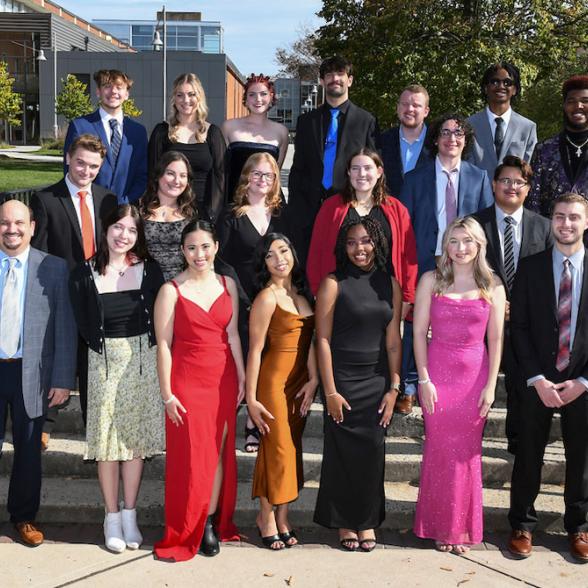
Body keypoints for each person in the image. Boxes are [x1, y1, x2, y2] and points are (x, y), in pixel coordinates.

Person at [68, 204, 164, 553]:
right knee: (108, 445)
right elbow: (79, 324)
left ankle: (129, 515)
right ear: (106, 229)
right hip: (102, 364)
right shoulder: (82, 275)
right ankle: (110, 516)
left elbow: (163, 320)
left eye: (132, 230)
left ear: (139, 236)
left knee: (135, 442)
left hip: (142, 361)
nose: (124, 235)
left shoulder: (151, 272)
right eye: (118, 228)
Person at [154, 220, 245, 561]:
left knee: (219, 452)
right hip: (188, 380)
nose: (199, 254)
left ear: (216, 247)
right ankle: (186, 524)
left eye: (205, 246)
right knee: (193, 455)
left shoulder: (228, 284)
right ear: (182, 251)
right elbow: (164, 344)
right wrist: (167, 393)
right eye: (191, 248)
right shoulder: (170, 290)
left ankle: (208, 521)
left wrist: (243, 377)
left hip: (223, 377)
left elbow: (233, 334)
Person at [413, 216, 505, 554]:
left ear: (479, 244)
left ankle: (462, 527)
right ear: (445, 245)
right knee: (439, 448)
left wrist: (491, 385)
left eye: (467, 241)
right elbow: (419, 334)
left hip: (475, 378)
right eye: (454, 241)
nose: (460, 248)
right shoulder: (431, 280)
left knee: (467, 453)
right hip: (437, 375)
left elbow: (495, 339)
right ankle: (439, 526)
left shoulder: (493, 285)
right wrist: (423, 379)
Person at [508, 193, 588, 563]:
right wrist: (536, 378)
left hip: (583, 382)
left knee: (582, 459)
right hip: (537, 380)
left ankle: (580, 527)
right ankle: (522, 524)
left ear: (586, 222)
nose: (566, 224)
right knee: (528, 454)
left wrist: (584, 381)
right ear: (551, 221)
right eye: (559, 217)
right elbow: (519, 327)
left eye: (574, 217)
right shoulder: (530, 267)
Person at [314, 217, 402, 552]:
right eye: (351, 242)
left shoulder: (389, 284)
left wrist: (394, 388)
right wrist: (331, 391)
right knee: (341, 454)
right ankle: (344, 522)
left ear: (378, 243)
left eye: (366, 241)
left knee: (371, 454)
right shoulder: (333, 283)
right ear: (342, 246)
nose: (359, 249)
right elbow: (322, 340)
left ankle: (366, 522)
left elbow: (393, 341)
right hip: (343, 381)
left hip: (377, 380)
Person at [398, 114, 494, 415]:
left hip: (464, 261)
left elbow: (484, 227)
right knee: (416, 322)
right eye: (445, 132)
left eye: (458, 133)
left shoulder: (479, 178)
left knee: (457, 324)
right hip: (425, 260)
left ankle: (461, 382)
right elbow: (404, 229)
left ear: (465, 141)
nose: (452, 138)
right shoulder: (415, 178)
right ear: (436, 139)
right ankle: (410, 385)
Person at [0, 199, 77, 547]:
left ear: (32, 227)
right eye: (4, 223)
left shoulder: (54, 268)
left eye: (18, 223)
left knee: (29, 451)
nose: (11, 229)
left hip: (32, 374)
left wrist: (62, 379)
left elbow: (65, 326)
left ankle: (23, 517)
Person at [31, 134, 118, 426]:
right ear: (68, 158)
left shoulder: (108, 200)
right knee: (56, 354)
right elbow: (40, 250)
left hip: (98, 292)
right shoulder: (46, 199)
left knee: (92, 360)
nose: (86, 171)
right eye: (80, 163)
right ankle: (44, 421)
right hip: (61, 290)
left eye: (94, 166)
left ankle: (93, 422)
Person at [471, 156, 552, 454]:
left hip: (527, 324)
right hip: (481, 321)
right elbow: (466, 270)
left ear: (528, 189)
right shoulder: (475, 224)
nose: (511, 187)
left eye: (519, 182)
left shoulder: (543, 228)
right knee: (477, 383)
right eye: (505, 180)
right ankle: (471, 440)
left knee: (522, 385)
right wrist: (491, 302)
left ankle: (517, 442)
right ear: (493, 185)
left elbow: (548, 278)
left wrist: (522, 307)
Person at [246, 233, 317, 550]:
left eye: (284, 251)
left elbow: (311, 342)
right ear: (264, 263)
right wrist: (250, 399)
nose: (279, 259)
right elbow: (255, 350)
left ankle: (283, 516)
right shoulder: (266, 297)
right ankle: (266, 515)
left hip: (300, 383)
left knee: (292, 450)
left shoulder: (303, 295)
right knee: (280, 450)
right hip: (272, 383)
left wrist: (314, 379)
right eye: (270, 255)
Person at [218, 152, 285, 454]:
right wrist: (243, 297)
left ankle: (254, 423)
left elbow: (289, 257)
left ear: (274, 182)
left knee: (269, 361)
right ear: (246, 178)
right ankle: (233, 418)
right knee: (242, 357)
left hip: (275, 299)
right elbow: (220, 260)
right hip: (240, 299)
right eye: (256, 174)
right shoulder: (231, 217)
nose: (261, 180)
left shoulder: (284, 215)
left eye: (268, 175)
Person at [288, 56, 379, 266]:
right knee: (310, 265)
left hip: (349, 206)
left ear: (350, 80)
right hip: (309, 209)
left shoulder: (366, 121)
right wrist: (295, 208)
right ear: (322, 81)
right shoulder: (306, 122)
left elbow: (372, 170)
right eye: (329, 75)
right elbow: (298, 168)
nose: (334, 79)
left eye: (340, 74)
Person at [307, 148, 417, 304]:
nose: (361, 174)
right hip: (340, 296)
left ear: (379, 172)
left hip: (384, 297)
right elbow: (316, 250)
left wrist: (406, 298)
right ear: (348, 173)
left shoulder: (397, 210)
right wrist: (318, 291)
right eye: (355, 168)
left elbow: (409, 254)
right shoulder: (331, 207)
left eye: (367, 168)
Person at [148, 73, 225, 222]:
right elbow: (153, 173)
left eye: (191, 94)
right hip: (169, 213)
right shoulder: (161, 132)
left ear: (199, 97)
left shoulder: (213, 133)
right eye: (180, 95)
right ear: (174, 99)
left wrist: (212, 214)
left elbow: (220, 177)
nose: (186, 100)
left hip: (203, 213)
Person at [63, 69, 148, 204]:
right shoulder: (80, 126)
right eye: (107, 86)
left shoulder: (138, 132)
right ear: (98, 92)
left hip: (125, 212)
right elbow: (70, 170)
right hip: (88, 207)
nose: (113, 91)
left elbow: (143, 174)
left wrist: (124, 203)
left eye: (119, 88)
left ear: (126, 94)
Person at [526, 75, 588, 219]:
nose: (578, 106)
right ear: (564, 106)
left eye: (585, 101)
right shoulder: (544, 150)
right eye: (572, 101)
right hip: (553, 236)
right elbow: (533, 201)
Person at [221, 74, 289, 204]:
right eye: (252, 94)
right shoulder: (229, 127)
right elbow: (221, 171)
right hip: (234, 200)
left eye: (263, 94)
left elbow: (275, 174)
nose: (258, 99)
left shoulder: (281, 132)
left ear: (271, 97)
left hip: (267, 203)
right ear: (245, 99)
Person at [468, 63, 537, 179]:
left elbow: (529, 170)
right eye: (495, 82)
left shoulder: (528, 128)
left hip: (514, 194)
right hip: (477, 195)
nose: (501, 86)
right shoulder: (469, 125)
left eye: (507, 83)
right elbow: (466, 168)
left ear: (514, 89)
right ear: (486, 88)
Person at [141, 151, 197, 282]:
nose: (177, 181)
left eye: (183, 176)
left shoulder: (193, 214)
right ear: (158, 175)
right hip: (143, 285)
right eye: (170, 174)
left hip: (181, 285)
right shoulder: (139, 209)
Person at [380, 84, 432, 197]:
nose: (410, 109)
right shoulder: (381, 141)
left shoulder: (437, 142)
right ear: (398, 107)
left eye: (416, 105)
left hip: (426, 213)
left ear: (426, 111)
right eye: (405, 104)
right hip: (389, 211)